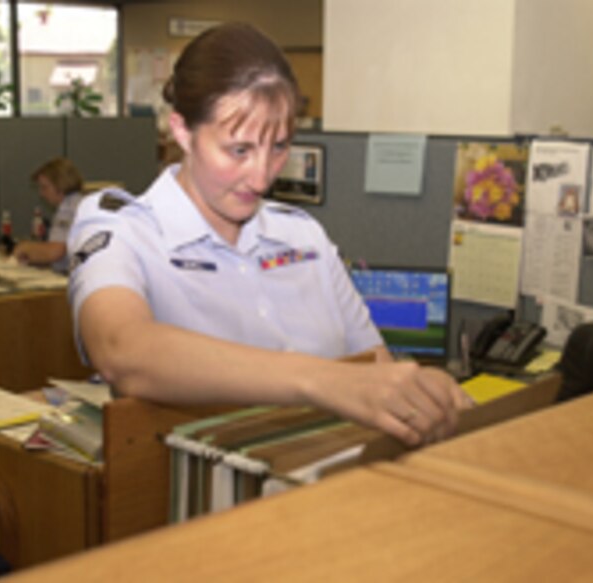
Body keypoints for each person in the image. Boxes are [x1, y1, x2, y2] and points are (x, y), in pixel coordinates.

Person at [67, 22, 471, 447]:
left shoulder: (303, 236)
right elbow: (122, 349)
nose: (260, 178)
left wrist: (422, 396)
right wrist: (317, 379)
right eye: (239, 150)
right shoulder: (121, 226)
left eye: (278, 147)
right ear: (182, 131)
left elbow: (374, 367)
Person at [12, 157, 85, 273]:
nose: (41, 194)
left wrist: (24, 248)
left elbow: (55, 252)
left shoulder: (68, 209)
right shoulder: (79, 203)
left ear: (60, 186)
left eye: (45, 187)